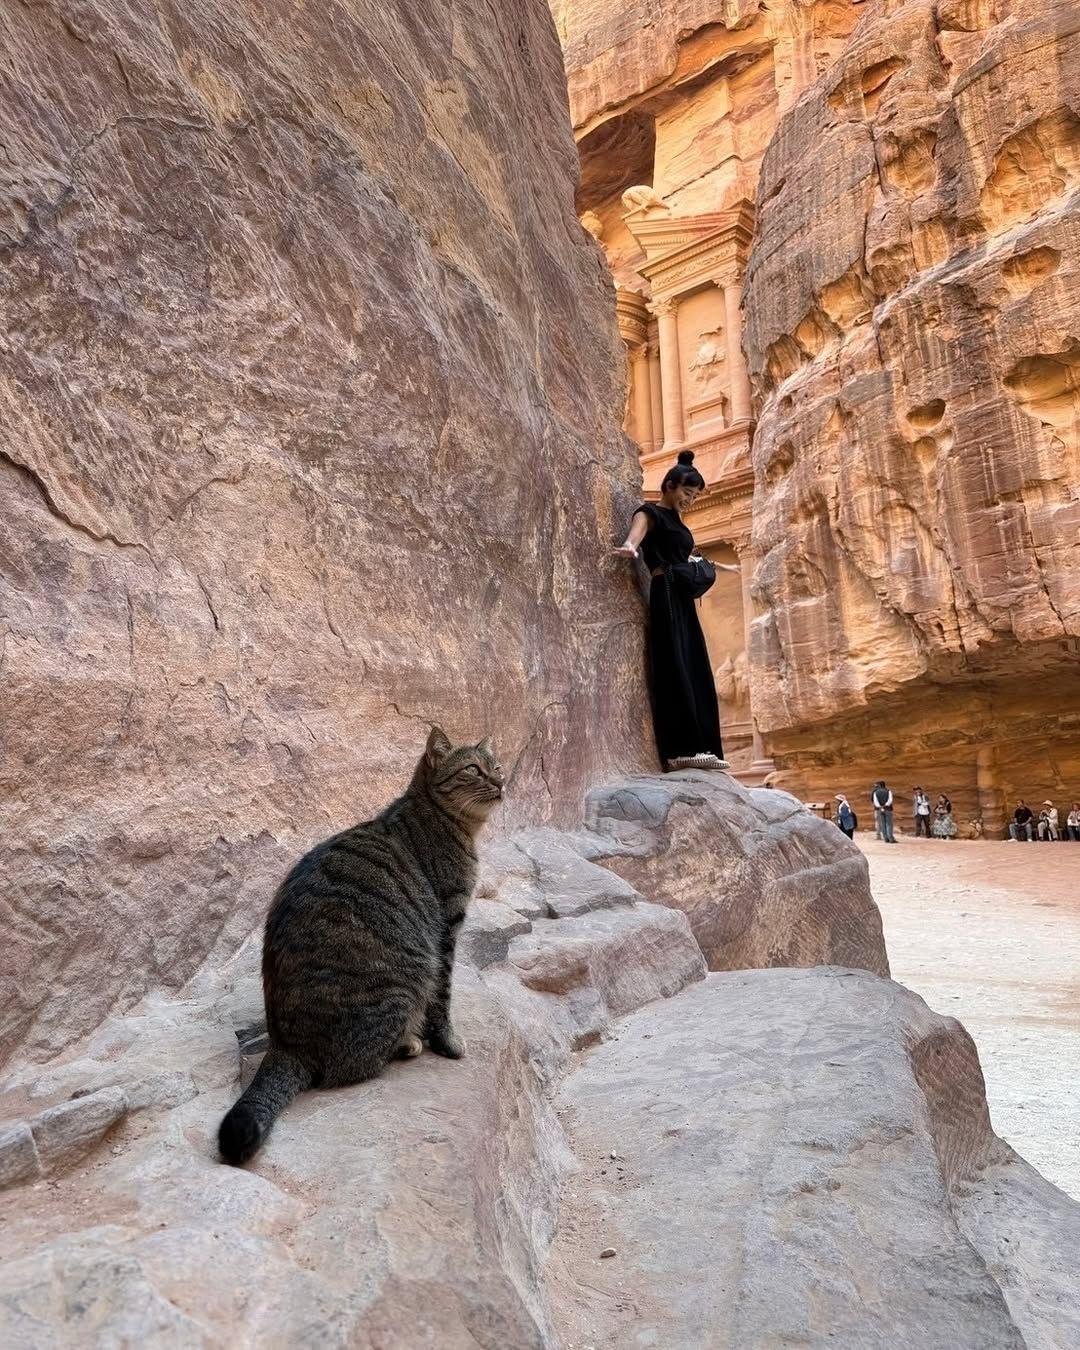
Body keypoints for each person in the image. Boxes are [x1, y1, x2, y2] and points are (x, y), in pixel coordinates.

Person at [614, 450, 737, 771]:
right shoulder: (652, 512)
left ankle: (702, 746)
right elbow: (638, 531)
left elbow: (686, 554)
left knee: (694, 663)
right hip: (665, 590)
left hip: (679, 593)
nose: (690, 500)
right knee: (675, 661)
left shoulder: (679, 524)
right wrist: (630, 545)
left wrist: (715, 565)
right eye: (687, 492)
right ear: (669, 485)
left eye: (695, 496)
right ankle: (680, 749)